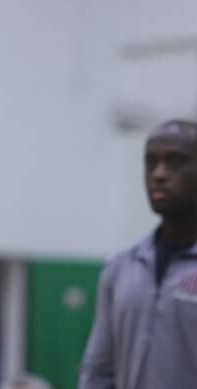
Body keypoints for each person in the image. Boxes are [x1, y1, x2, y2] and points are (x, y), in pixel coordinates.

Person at [79, 120, 197, 389]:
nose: (159, 174)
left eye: (176, 161)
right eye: (150, 163)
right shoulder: (120, 268)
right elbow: (98, 371)